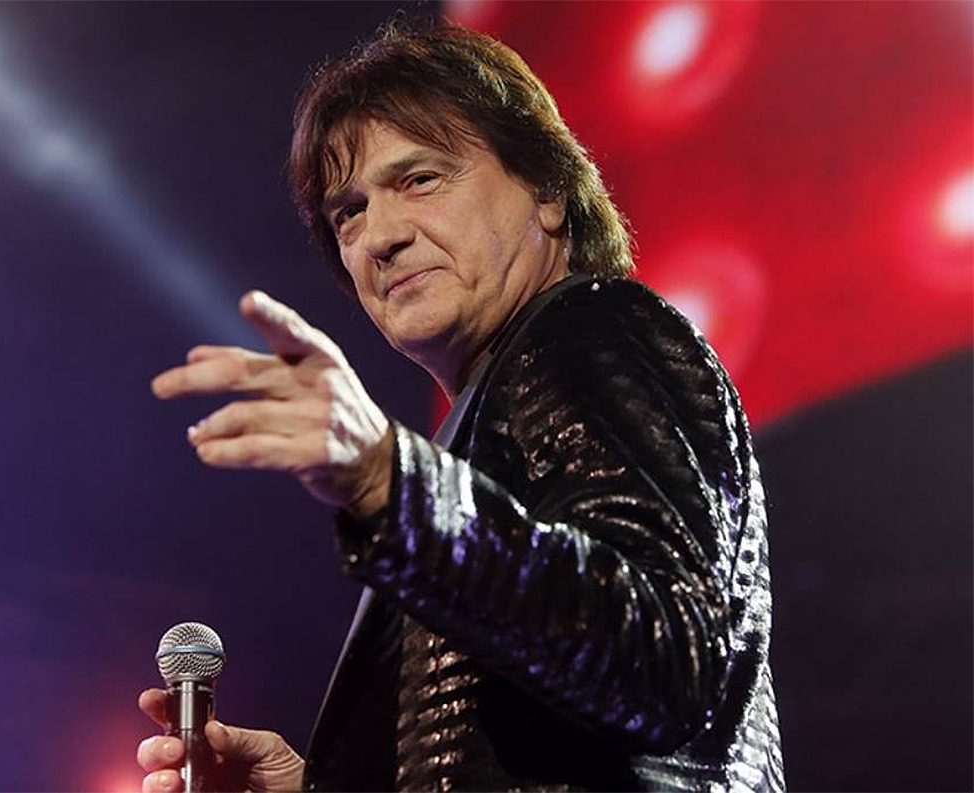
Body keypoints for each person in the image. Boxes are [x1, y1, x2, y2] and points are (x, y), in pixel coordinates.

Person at [136, 21, 783, 793]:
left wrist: (386, 477)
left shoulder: (592, 328)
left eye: (420, 179)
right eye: (348, 212)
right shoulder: (485, 416)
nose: (379, 236)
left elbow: (668, 666)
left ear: (547, 191)